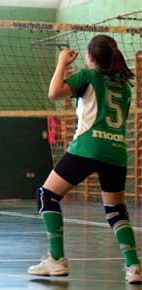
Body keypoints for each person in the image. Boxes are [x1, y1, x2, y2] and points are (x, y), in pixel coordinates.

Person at [27, 35, 141, 284]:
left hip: (88, 147)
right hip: (116, 152)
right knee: (116, 211)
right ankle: (134, 267)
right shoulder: (124, 85)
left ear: (90, 57)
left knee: (47, 195)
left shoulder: (87, 77)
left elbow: (54, 92)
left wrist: (61, 64)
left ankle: (56, 260)